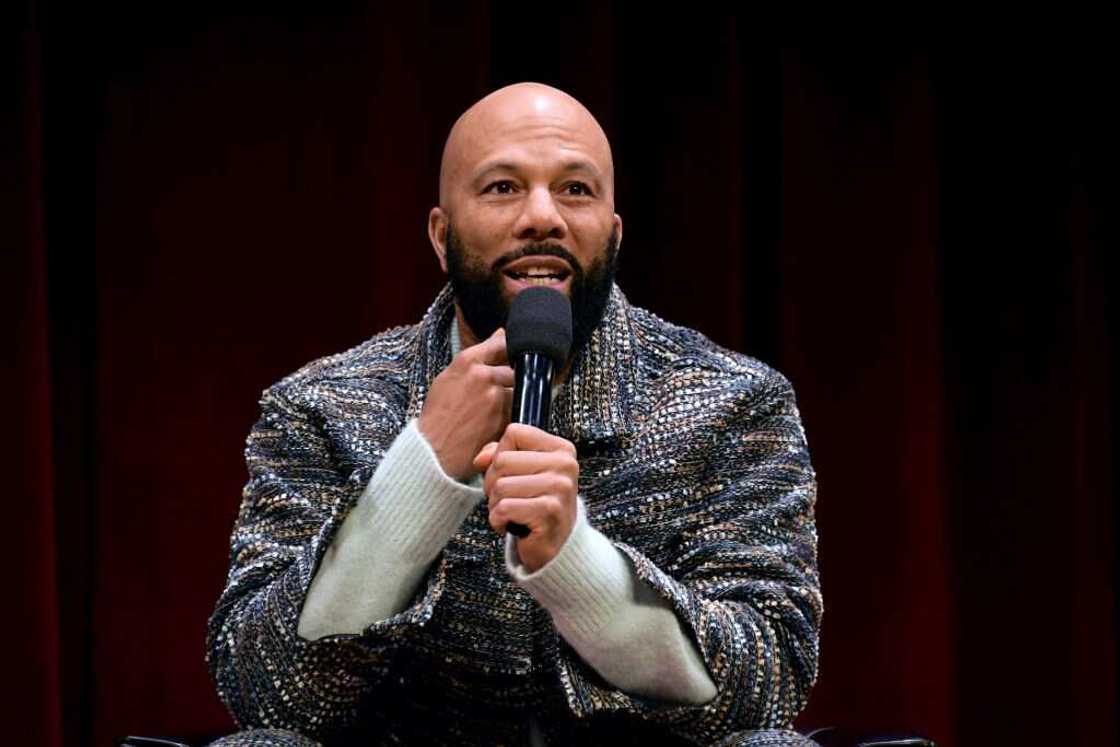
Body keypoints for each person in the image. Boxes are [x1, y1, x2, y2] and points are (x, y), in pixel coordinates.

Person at [206, 82, 822, 747]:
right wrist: (418, 475)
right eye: (502, 187)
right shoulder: (321, 406)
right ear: (442, 237)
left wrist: (576, 561)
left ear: (613, 234)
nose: (542, 217)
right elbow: (261, 685)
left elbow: (770, 680)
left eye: (575, 191)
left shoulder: (731, 403)